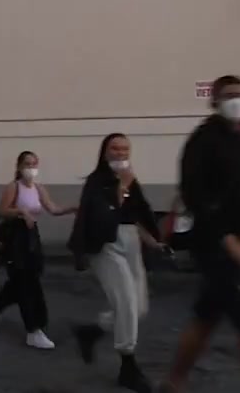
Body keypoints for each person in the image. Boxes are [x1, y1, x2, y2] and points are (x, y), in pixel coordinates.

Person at [159, 75, 240, 393]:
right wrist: (228, 240)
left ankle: (174, 382)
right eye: (229, 95)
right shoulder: (203, 141)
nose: (237, 100)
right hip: (219, 248)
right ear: (214, 101)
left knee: (205, 318)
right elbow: (195, 196)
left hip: (238, 244)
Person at [68, 133, 165, 393]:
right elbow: (99, 218)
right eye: (115, 148)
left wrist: (153, 241)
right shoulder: (96, 181)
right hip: (105, 245)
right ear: (104, 152)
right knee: (127, 303)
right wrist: (121, 187)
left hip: (130, 241)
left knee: (139, 307)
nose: (120, 153)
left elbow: (135, 216)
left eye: (125, 149)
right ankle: (128, 366)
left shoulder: (130, 182)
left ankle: (92, 331)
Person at [0, 151, 75, 350]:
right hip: (15, 238)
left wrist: (74, 208)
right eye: (27, 164)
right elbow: (2, 210)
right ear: (18, 167)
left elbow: (53, 208)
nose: (31, 168)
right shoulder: (13, 187)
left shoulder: (38, 188)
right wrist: (21, 211)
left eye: (34, 163)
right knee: (26, 284)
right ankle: (33, 330)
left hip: (31, 237)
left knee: (24, 281)